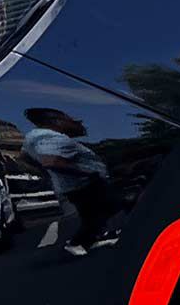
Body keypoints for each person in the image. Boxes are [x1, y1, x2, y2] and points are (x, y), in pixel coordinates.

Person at [21, 108, 117, 256]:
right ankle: (77, 243)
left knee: (94, 213)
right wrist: (88, 173)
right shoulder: (51, 137)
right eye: (70, 119)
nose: (77, 122)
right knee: (102, 211)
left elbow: (25, 158)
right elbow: (51, 161)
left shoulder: (31, 138)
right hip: (82, 184)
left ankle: (95, 237)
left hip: (74, 186)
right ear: (57, 121)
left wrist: (46, 171)